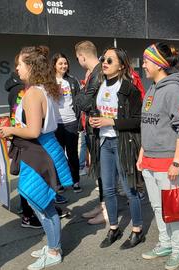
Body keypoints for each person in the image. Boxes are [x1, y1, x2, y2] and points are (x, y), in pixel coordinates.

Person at [0, 46, 73, 270]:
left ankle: (54, 250)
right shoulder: (41, 89)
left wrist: (10, 130)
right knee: (40, 202)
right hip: (41, 150)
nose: (17, 69)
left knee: (41, 204)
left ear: (31, 66)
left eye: (20, 64)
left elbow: (32, 131)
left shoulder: (33, 93)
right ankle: (53, 244)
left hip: (38, 152)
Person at [137, 42, 179, 270]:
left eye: (146, 61)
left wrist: (176, 162)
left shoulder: (174, 91)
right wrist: (142, 154)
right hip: (149, 160)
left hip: (168, 161)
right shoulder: (152, 88)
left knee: (172, 208)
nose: (143, 65)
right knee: (157, 206)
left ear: (159, 64)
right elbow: (147, 124)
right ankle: (165, 242)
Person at [89, 47, 144, 249]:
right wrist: (94, 121)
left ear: (121, 66)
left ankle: (137, 229)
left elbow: (138, 121)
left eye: (110, 61)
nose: (104, 62)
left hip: (123, 143)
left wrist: (109, 121)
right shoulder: (98, 85)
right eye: (104, 59)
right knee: (108, 190)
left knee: (130, 189)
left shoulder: (129, 88)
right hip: (104, 143)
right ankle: (114, 228)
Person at [4, 55, 42, 229]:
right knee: (28, 178)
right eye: (17, 65)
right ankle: (28, 214)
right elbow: (25, 122)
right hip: (24, 140)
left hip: (19, 137)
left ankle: (28, 211)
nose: (18, 68)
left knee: (25, 177)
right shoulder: (22, 91)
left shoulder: (19, 90)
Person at [74, 41, 107, 225]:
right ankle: (102, 204)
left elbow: (86, 103)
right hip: (93, 129)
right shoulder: (95, 73)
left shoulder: (97, 74)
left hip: (98, 129)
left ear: (82, 56)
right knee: (100, 171)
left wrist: (79, 90)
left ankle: (107, 208)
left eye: (78, 57)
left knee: (103, 171)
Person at [52, 53, 82, 193]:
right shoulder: (49, 81)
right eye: (60, 63)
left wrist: (78, 119)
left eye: (65, 63)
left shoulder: (72, 80)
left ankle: (75, 181)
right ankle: (59, 183)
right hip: (55, 124)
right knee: (57, 154)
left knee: (72, 154)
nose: (64, 66)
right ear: (54, 65)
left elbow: (78, 101)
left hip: (71, 122)